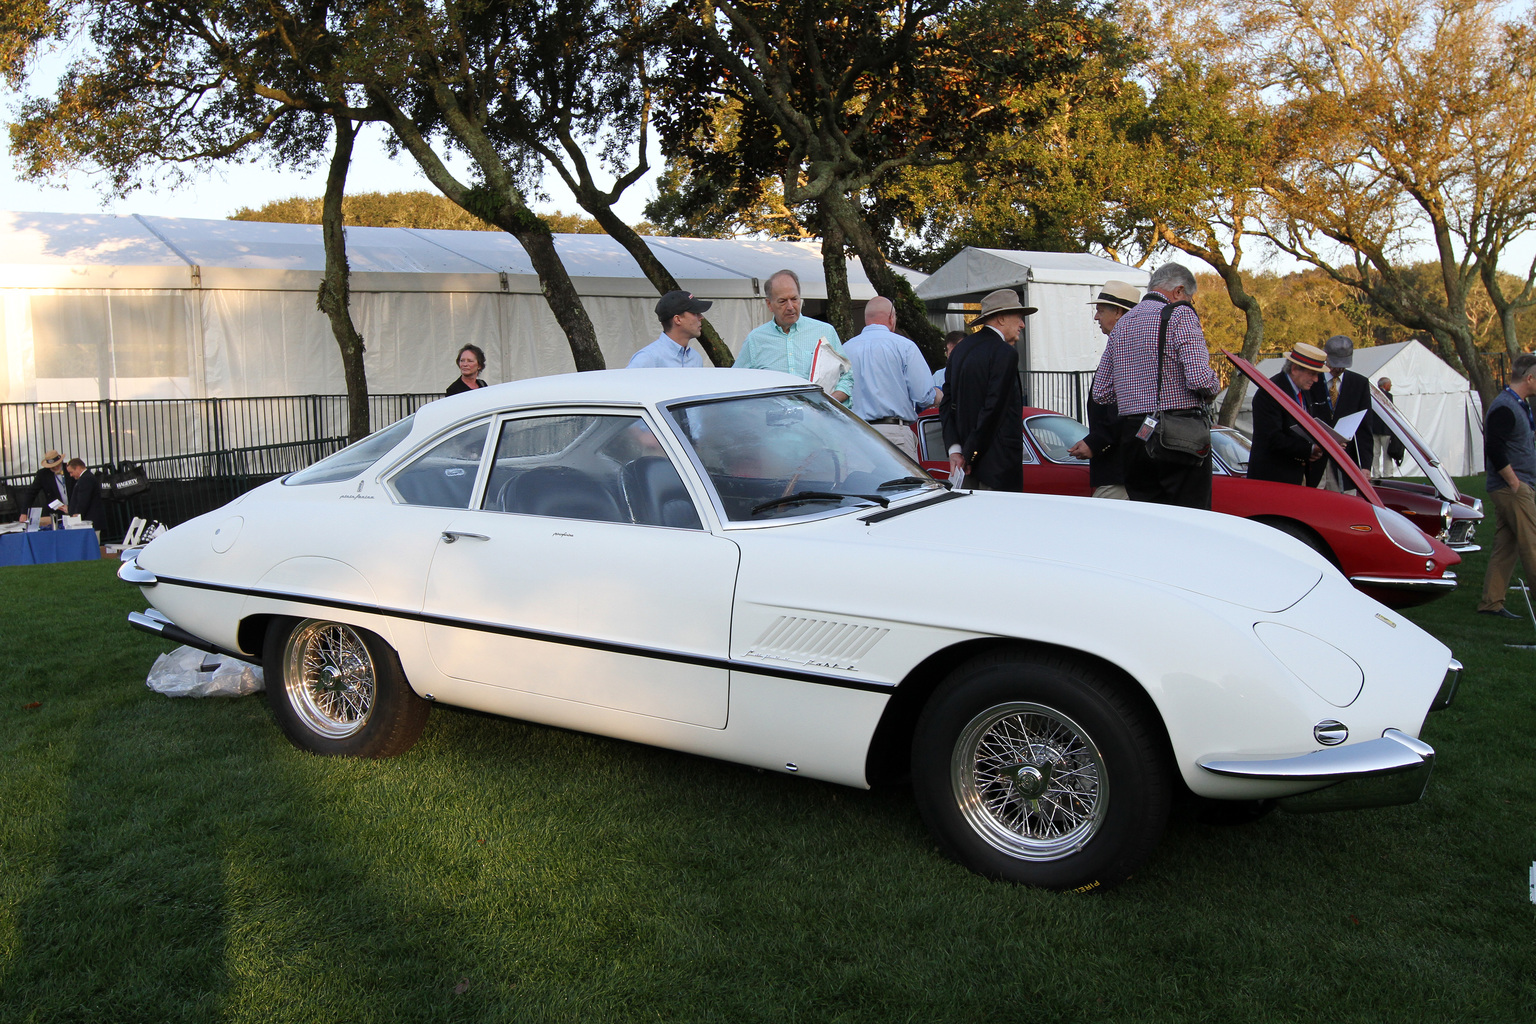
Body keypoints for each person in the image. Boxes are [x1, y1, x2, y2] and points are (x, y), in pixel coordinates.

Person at [1089, 263, 1220, 508]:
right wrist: (1215, 387)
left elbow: (1101, 392)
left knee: (1149, 516)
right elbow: (1198, 378)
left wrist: (1135, 394)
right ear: (1179, 291)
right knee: (1190, 518)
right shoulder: (1180, 314)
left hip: (1133, 437)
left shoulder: (1124, 322)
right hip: (1178, 434)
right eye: (1190, 298)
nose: (1190, 303)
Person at [940, 288, 1030, 491]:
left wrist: (956, 450)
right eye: (1018, 317)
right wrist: (971, 454)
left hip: (964, 464)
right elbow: (993, 408)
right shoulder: (1004, 352)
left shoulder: (960, 349)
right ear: (1001, 318)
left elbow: (947, 404)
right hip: (997, 467)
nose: (1022, 325)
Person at [1068, 281, 1141, 499]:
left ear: (1118, 312)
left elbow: (1124, 406)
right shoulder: (1127, 345)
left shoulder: (1128, 348)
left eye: (1100, 310)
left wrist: (1095, 442)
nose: (1096, 317)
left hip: (1119, 470)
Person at [1476, 353, 1536, 619]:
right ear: (1530, 378)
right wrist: (1515, 483)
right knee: (1532, 543)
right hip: (1512, 488)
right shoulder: (1505, 406)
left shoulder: (1518, 404)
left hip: (1514, 486)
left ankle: (1491, 602)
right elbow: (1494, 447)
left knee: (1506, 546)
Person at [737, 269, 853, 403]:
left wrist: (828, 402)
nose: (790, 306)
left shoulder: (825, 332)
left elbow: (847, 377)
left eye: (794, 299)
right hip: (773, 421)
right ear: (769, 304)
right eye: (782, 301)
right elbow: (738, 382)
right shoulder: (755, 340)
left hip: (818, 420)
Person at [842, 297, 936, 459]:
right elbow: (923, 397)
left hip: (856, 435)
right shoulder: (905, 346)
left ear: (866, 319)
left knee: (862, 484)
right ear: (891, 317)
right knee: (901, 485)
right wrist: (937, 394)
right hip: (895, 435)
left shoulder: (845, 349)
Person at [1249, 342, 1330, 485]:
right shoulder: (1270, 393)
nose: (1316, 379)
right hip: (1272, 478)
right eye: (1312, 374)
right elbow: (1272, 438)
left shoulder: (1303, 390)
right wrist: (1309, 449)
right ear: (1294, 369)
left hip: (1296, 475)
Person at [1311, 334, 1374, 477]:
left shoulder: (1359, 384)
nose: (1338, 368)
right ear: (1325, 356)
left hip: (1346, 464)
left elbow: (1365, 427)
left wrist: (1365, 465)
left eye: (1343, 364)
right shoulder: (1311, 380)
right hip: (1315, 462)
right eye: (1335, 363)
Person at [628, 290, 712, 368]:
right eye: (695, 313)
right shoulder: (647, 358)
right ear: (678, 319)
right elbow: (625, 384)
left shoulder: (696, 358)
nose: (701, 317)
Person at [17, 449, 71, 525]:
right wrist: (24, 512)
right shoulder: (43, 474)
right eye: (52, 467)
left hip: (74, 509)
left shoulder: (70, 469)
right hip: (56, 513)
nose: (55, 468)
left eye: (57, 465)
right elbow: (31, 493)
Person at [1371, 376, 1405, 478]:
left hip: (1373, 428)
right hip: (1385, 429)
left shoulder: (1372, 395)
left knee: (1375, 453)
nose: (1390, 386)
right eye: (1389, 384)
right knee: (1387, 454)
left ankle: (1376, 473)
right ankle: (1388, 473)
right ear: (1385, 385)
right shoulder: (1388, 396)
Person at [65, 458, 104, 525]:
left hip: (89, 520)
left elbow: (83, 500)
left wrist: (77, 514)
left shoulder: (86, 479)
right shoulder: (86, 478)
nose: (71, 475)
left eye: (71, 472)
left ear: (78, 468)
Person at [931, 331, 964, 400]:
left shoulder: (978, 374)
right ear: (946, 354)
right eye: (952, 354)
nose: (957, 357)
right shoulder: (938, 376)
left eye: (960, 352)